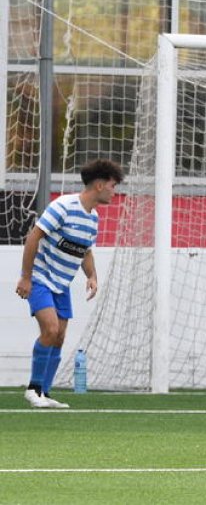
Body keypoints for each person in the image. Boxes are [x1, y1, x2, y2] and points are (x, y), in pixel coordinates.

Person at [15, 159, 123, 409]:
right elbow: (34, 236)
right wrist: (26, 276)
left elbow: (85, 251)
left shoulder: (93, 218)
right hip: (41, 277)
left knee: (60, 336)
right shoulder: (63, 206)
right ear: (99, 185)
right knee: (50, 329)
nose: (114, 191)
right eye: (112, 186)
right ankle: (33, 389)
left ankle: (45, 392)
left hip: (62, 284)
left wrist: (92, 276)